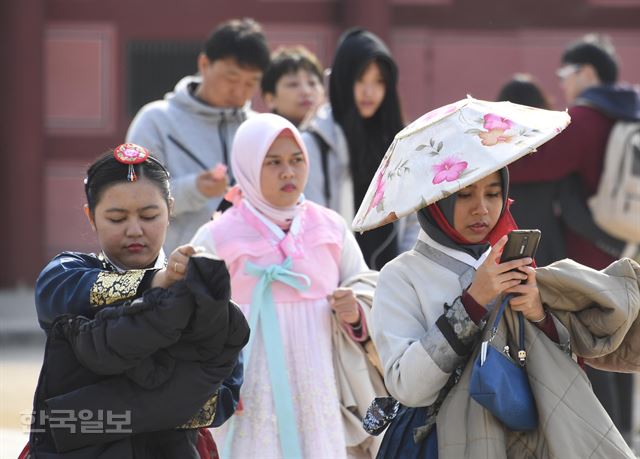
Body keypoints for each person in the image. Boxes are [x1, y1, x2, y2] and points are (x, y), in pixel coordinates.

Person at [30, 144, 248, 458]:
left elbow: (223, 399)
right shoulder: (64, 275)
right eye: (117, 218)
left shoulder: (198, 294)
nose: (135, 230)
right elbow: (59, 298)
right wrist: (160, 282)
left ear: (170, 210)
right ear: (91, 217)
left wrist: (86, 413)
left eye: (149, 215)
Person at [190, 113, 387, 458]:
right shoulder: (217, 235)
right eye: (274, 162)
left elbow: (366, 287)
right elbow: (195, 317)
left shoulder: (331, 227)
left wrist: (353, 309)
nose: (288, 172)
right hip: (249, 381)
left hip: (318, 378)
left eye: (297, 160)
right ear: (248, 166)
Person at [370, 168, 569, 457]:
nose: (482, 208)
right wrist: (472, 304)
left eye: (493, 193)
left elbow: (558, 371)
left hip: (520, 440)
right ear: (434, 201)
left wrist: (539, 315)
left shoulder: (508, 263)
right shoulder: (401, 276)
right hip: (437, 442)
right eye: (464, 194)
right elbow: (408, 387)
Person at [507, 33, 640, 444]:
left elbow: (538, 164)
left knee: (596, 349)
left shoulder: (587, 119)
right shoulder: (631, 113)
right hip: (629, 247)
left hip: (590, 261)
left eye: (566, 74)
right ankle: (625, 438)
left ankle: (606, 443)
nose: (562, 84)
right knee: (627, 347)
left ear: (586, 72)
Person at [126, 18, 271, 253]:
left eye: (251, 82)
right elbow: (135, 198)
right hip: (177, 271)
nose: (239, 91)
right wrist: (195, 189)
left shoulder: (259, 128)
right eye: (231, 78)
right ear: (204, 64)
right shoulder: (157, 121)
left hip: (250, 273)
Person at [301, 28, 416, 269]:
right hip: (338, 282)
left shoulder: (400, 141)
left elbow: (415, 219)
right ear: (343, 80)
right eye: (360, 80)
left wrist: (402, 276)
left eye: (379, 81)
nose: (369, 92)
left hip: (393, 284)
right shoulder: (316, 142)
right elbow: (314, 224)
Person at [261, 45, 326, 127]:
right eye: (293, 84)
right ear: (270, 99)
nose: (306, 91)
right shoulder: (264, 136)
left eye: (312, 83)